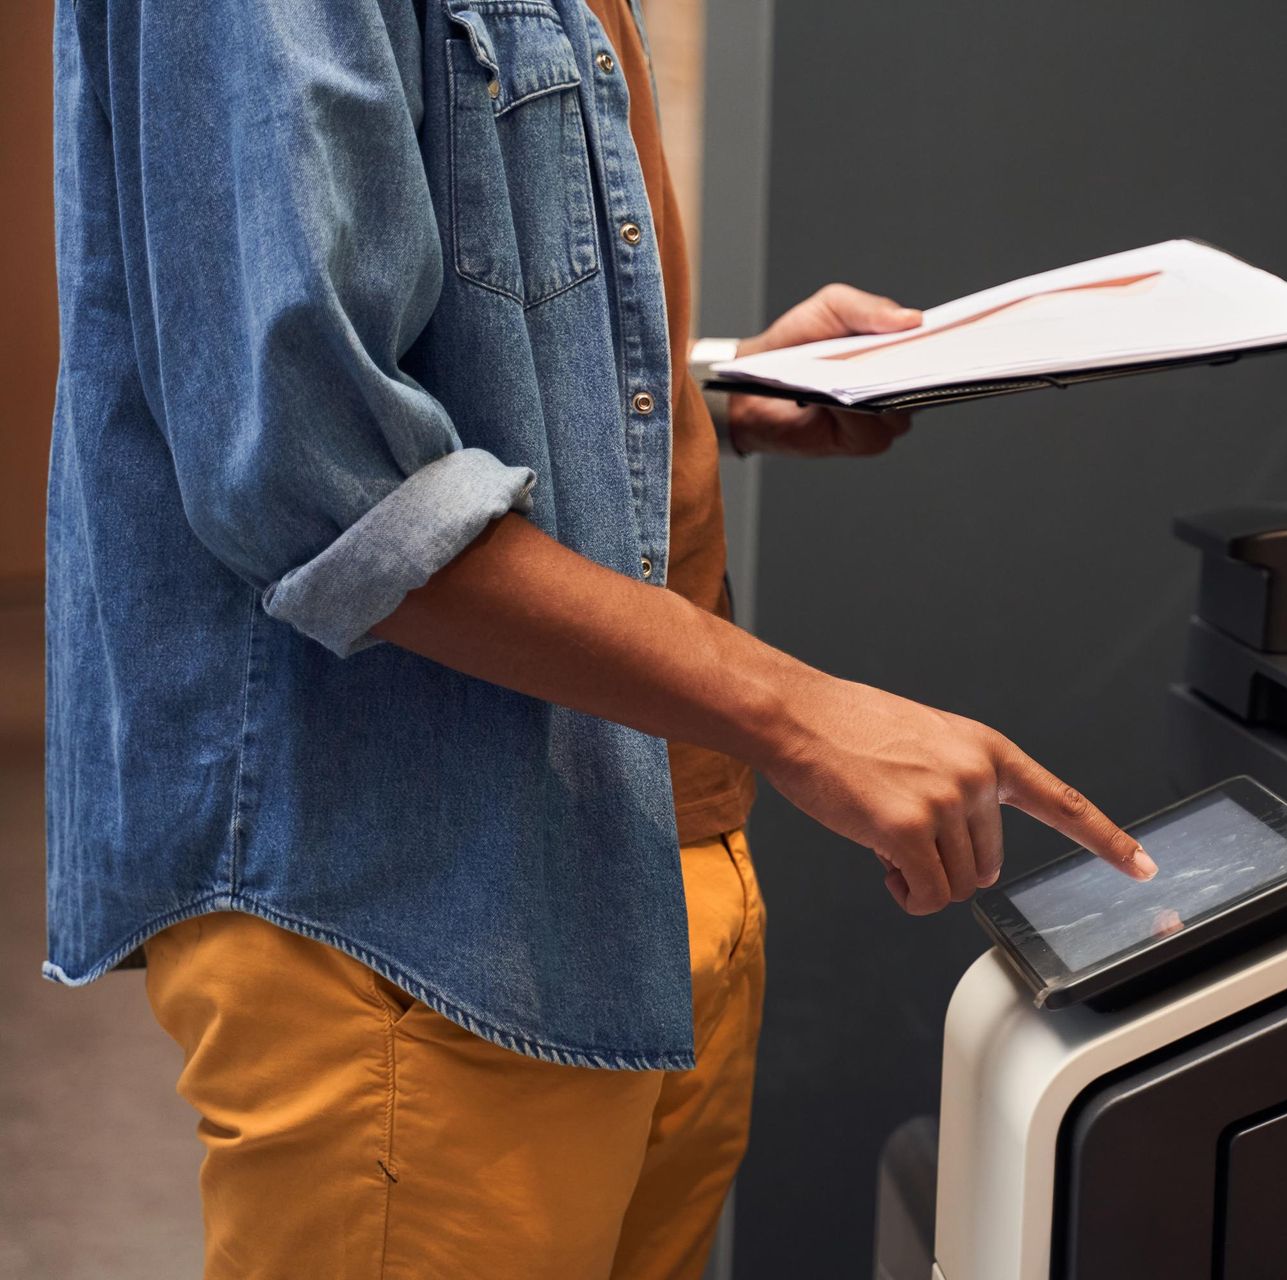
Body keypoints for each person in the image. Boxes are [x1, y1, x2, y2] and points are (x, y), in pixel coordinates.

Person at [43, 1, 1155, 1276]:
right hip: (423, 910)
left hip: (651, 847)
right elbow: (315, 476)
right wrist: (802, 713)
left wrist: (707, 387)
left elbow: (442, 288)